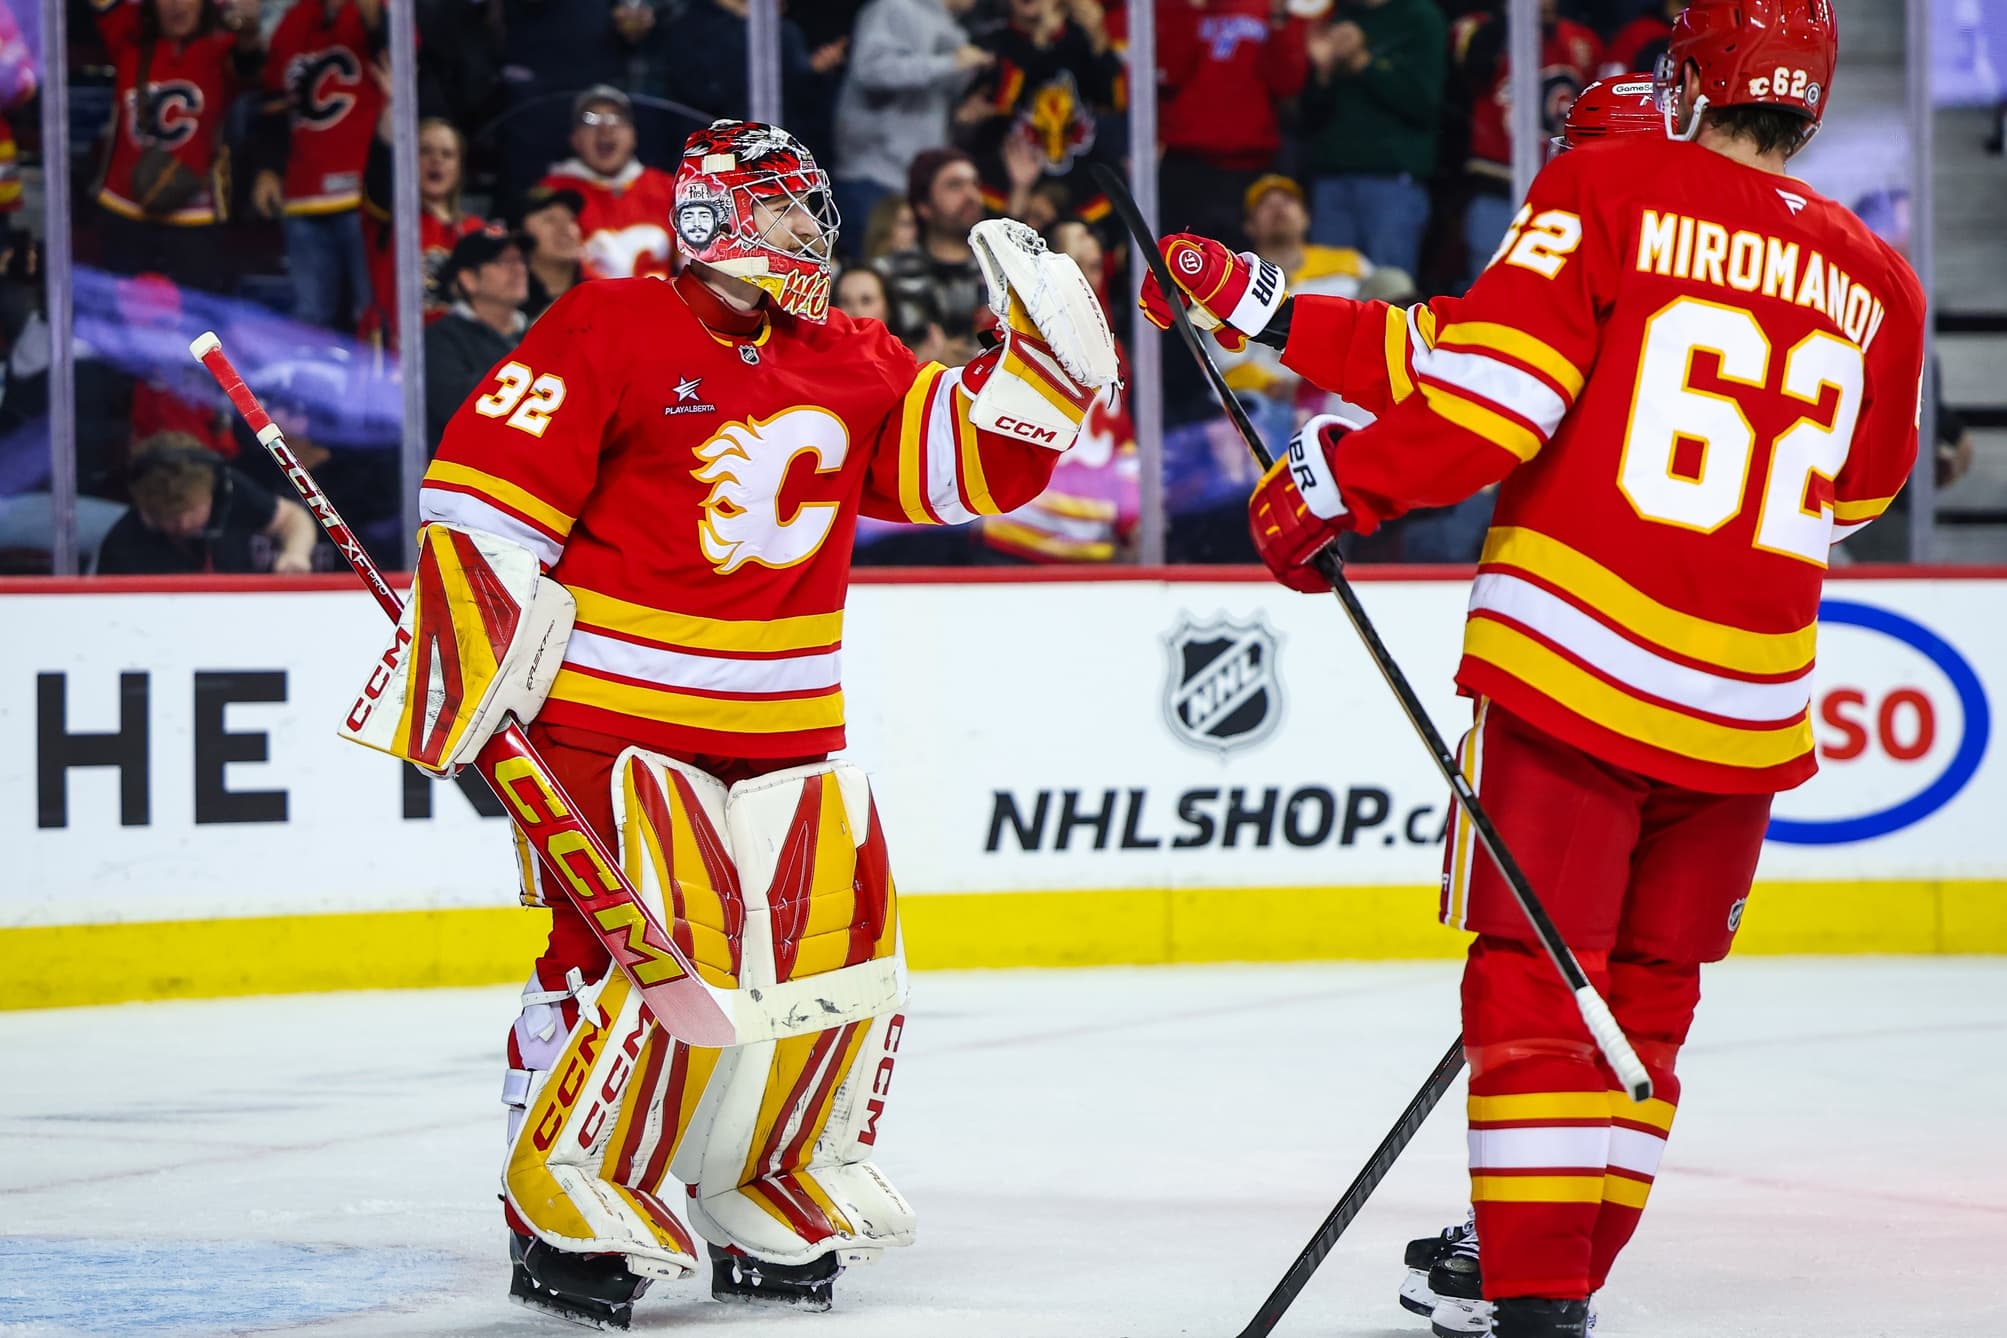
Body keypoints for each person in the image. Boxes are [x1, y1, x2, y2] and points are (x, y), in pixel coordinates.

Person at [1139, 1, 1924, 1332]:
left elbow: (1485, 395)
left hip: (1577, 666)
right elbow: (1856, 486)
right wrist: (1258, 307)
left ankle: (1530, 1287)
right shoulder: (1883, 282)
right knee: (1644, 996)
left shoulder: (1608, 189)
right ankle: (1554, 1270)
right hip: (1744, 709)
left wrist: (1330, 484)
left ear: (1686, 82)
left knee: (1531, 968)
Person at [334, 118, 1115, 1329]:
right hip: (610, 724)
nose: (815, 231)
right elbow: (484, 504)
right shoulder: (607, 326)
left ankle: (760, 1179)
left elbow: (953, 474)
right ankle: (566, 1199)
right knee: (620, 974)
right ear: (713, 218)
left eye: (813, 208)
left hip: (789, 722)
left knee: (814, 972)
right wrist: (469, 696)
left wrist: (1041, 378)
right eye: (790, 209)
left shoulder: (852, 349)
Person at [89, 0, 264, 295]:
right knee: (125, 326)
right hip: (126, 209)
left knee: (198, 332)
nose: (176, 5)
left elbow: (249, 62)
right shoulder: (128, 42)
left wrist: (248, 27)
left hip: (195, 216)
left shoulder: (220, 51)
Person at [1449, 0, 1604, 288]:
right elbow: (1472, 70)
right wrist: (1507, 20)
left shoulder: (1583, 41)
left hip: (1560, 197)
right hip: (1495, 185)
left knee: (1548, 293)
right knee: (1483, 290)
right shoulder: (1478, 29)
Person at [251, 0, 385, 330]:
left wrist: (378, 22)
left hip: (364, 197)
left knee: (372, 313)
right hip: (303, 194)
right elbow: (273, 105)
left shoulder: (374, 12)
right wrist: (268, 168)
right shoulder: (294, 20)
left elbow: (407, 64)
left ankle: (379, 384)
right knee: (310, 320)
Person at [1297, 0, 1444, 275]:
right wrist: (1323, 71)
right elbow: (1307, 116)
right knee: (1327, 292)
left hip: (1392, 183)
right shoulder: (1333, 15)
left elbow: (1424, 104)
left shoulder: (1419, 16)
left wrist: (1362, 62)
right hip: (1331, 181)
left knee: (1389, 295)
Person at [833, 0, 991, 255]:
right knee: (870, 280)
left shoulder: (955, 30)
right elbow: (871, 71)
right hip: (874, 174)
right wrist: (949, 63)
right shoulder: (893, 8)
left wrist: (965, 116)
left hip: (919, 185)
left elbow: (931, 106)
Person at [1155, 0, 1310, 251]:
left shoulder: (1270, 7)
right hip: (1188, 166)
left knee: (1246, 268)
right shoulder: (1173, 5)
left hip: (1250, 165)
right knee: (1182, 264)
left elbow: (1288, 82)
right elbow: (1168, 72)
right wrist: (1188, 8)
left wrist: (1280, 20)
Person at [97, 430, 318, 574]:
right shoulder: (121, 547)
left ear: (214, 492)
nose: (183, 524)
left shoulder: (229, 489)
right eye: (169, 518)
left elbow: (292, 518)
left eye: (192, 511)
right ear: (145, 508)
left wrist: (295, 554)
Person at [359, 110, 486, 348]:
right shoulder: (392, 217)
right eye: (424, 151)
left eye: (447, 154)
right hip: (394, 355)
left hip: (457, 355)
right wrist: (391, 103)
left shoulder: (475, 230)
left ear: (459, 168)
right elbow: (379, 174)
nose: (435, 160)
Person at [539, 85, 680, 281]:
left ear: (633, 135)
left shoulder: (668, 187)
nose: (605, 130)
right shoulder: (552, 193)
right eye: (590, 120)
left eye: (617, 119)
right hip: (585, 309)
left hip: (658, 308)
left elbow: (694, 263)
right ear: (575, 138)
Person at [422, 228, 528, 450]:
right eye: (504, 262)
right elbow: (458, 407)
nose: (519, 269)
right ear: (468, 279)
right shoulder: (439, 340)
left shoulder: (539, 334)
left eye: (520, 260)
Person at [877, 146, 988, 358]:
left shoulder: (1003, 271)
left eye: (975, 184)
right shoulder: (887, 274)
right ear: (923, 206)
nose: (972, 195)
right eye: (955, 186)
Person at [515, 184, 586, 322]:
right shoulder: (507, 302)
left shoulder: (599, 293)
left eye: (571, 220)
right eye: (550, 220)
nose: (565, 229)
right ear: (520, 234)